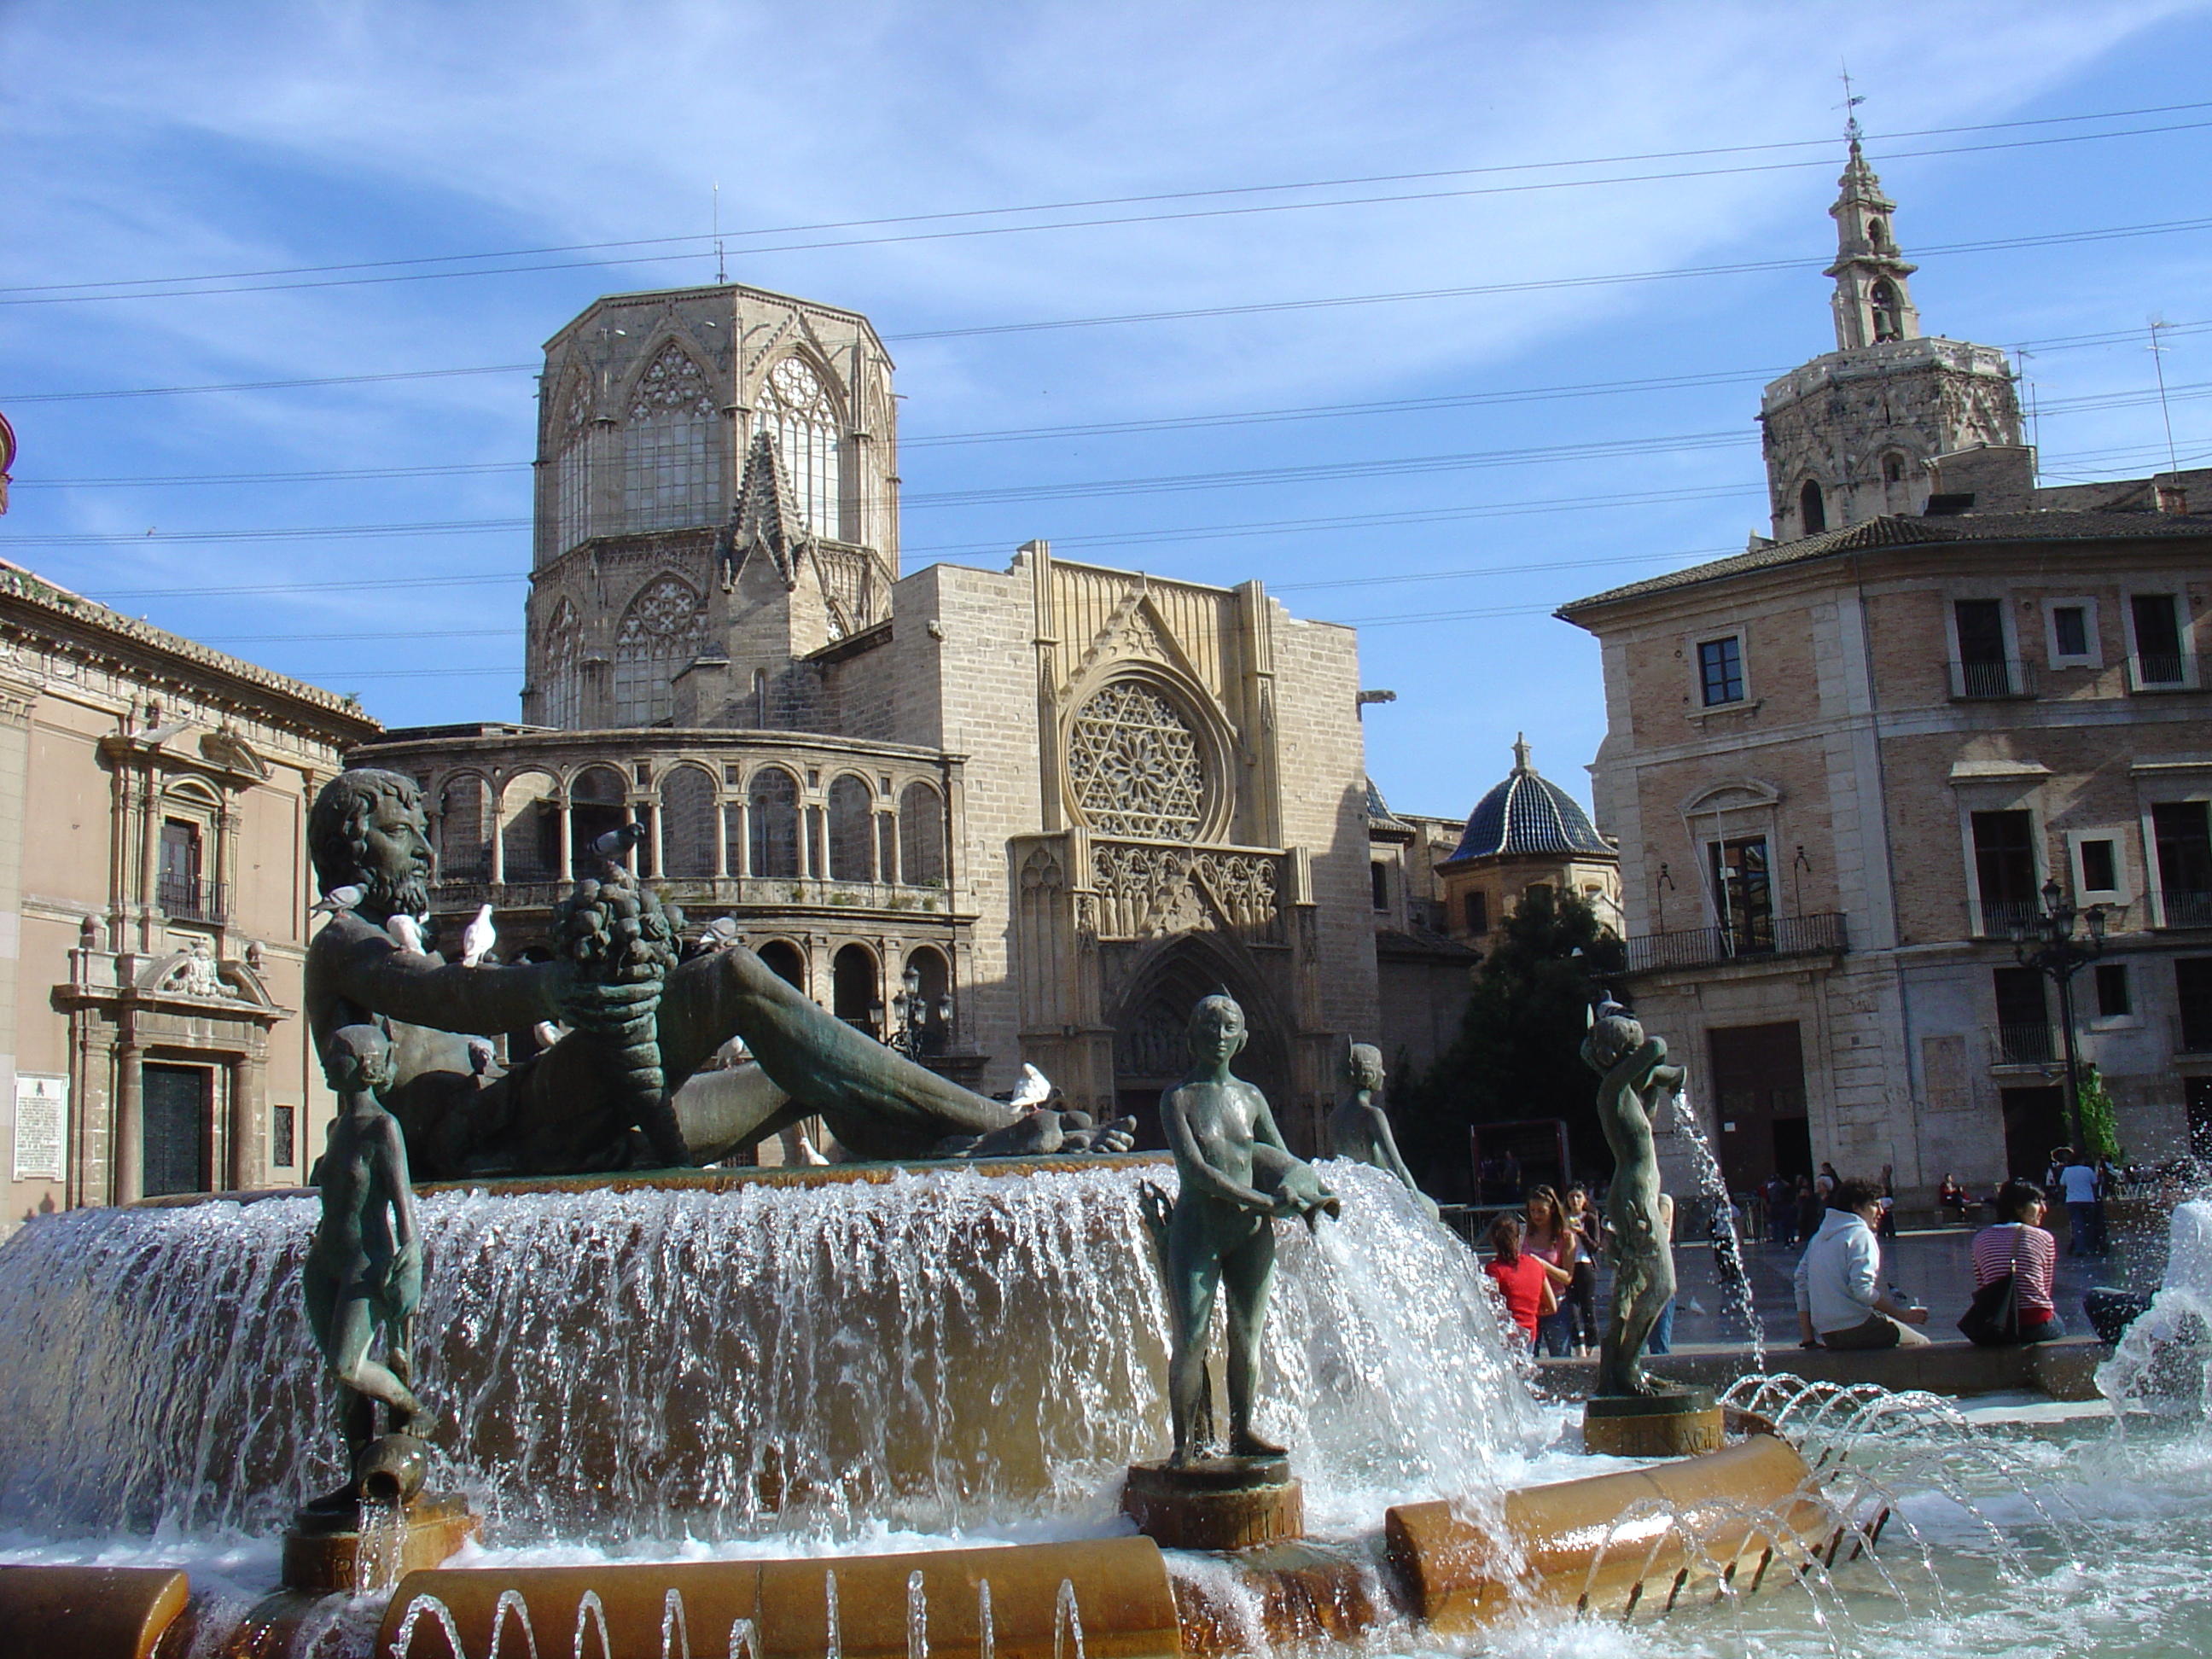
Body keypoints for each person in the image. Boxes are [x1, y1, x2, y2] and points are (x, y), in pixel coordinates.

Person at [1160, 992, 1338, 1464]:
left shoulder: (1252, 1097)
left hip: (1251, 1235)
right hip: (1199, 1230)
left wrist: (1308, 1193)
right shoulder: (1177, 1098)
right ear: (1191, 1035)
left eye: (1228, 1028)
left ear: (1242, 1038)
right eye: (1209, 1027)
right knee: (1193, 1337)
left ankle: (1242, 1431)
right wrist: (1265, 1202)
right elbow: (1197, 1171)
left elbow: (1278, 1157)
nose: (1218, 1037)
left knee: (1247, 1336)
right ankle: (1185, 1446)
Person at [304, 1025, 432, 1469]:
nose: (326, 1063)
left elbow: (402, 1201)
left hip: (366, 1263)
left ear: (365, 1065)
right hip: (324, 1262)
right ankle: (356, 1474)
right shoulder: (336, 1126)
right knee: (344, 1384)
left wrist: (410, 1257)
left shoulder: (383, 1127)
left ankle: (411, 1405)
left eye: (336, 1056)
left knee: (346, 1365)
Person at [1795, 1175, 1931, 1350]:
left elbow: (1800, 1281)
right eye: (1874, 1205)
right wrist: (1902, 1315)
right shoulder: (1860, 1234)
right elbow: (1862, 1290)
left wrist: (1808, 1339)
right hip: (1858, 1326)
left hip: (1828, 1333)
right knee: (1921, 1345)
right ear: (1857, 1207)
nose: (1881, 1211)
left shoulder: (1818, 1238)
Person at [1325, 1043, 1439, 1218]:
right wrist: (1416, 1200)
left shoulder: (1334, 1117)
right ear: (1368, 1074)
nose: (1384, 1074)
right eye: (1380, 1068)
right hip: (1380, 1193)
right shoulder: (1372, 1115)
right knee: (1432, 1209)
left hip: (1355, 1195)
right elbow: (1397, 1166)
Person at [1965, 1179, 2064, 1345]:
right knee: (2058, 1322)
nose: (2044, 1209)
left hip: (1998, 1325)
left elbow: (1983, 1285)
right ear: (2018, 1207)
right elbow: (2045, 1290)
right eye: (2036, 1202)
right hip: (2035, 1323)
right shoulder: (2043, 1238)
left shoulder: (1980, 1239)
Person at [1483, 1212, 1556, 1348]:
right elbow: (1552, 1306)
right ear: (1519, 1238)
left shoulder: (1494, 1270)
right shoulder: (1536, 1265)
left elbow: (1491, 1308)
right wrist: (1530, 1314)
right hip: (1529, 1335)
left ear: (1493, 1240)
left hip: (1506, 1335)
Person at [1522, 1185, 1579, 1357]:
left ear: (1552, 1209)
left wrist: (1543, 1266)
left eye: (1541, 1211)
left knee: (1561, 1355)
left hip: (1556, 1304)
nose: (1536, 1215)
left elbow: (1568, 1277)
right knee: (1527, 1359)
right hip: (1529, 1305)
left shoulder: (1565, 1238)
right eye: (1532, 1210)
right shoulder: (1524, 1234)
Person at [1561, 1185, 1604, 1356]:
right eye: (1571, 1197)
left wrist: (1582, 1233)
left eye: (1578, 1197)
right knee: (1571, 1307)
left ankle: (1592, 1344)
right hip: (1569, 1265)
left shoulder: (1590, 1218)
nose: (1575, 1201)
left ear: (1585, 1199)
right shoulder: (1563, 1219)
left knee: (1587, 1306)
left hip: (1585, 1264)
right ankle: (1577, 1345)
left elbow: (1595, 1246)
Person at [1646, 1192, 1679, 1354]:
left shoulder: (1662, 1200)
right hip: (1637, 1285)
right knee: (1632, 1349)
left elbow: (1657, 1228)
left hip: (1661, 1283)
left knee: (1659, 1344)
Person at [2059, 1150, 2104, 1255]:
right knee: (2089, 1224)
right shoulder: (2087, 1170)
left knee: (2077, 1225)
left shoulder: (2067, 1171)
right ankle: (2091, 1247)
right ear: (2081, 1161)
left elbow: (2062, 1185)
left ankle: (2080, 1248)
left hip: (2072, 1200)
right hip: (2088, 1199)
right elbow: (2095, 1184)